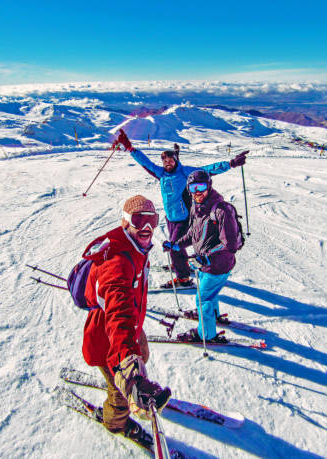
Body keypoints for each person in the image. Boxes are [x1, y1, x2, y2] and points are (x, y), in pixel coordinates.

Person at [81, 195, 171, 442]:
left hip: (130, 327)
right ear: (125, 222)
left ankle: (133, 376)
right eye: (139, 220)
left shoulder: (135, 247)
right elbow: (118, 315)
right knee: (120, 396)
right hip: (108, 339)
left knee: (143, 352)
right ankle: (115, 423)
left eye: (152, 221)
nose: (147, 228)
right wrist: (130, 373)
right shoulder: (118, 261)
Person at [112, 129, 248, 289]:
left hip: (184, 218)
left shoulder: (184, 172)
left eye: (171, 160)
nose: (168, 164)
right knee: (176, 246)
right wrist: (129, 147)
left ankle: (183, 278)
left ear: (176, 160)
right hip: (171, 218)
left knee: (174, 247)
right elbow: (146, 162)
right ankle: (182, 265)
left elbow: (208, 169)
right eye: (165, 162)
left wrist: (230, 164)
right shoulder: (162, 174)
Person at [162, 170, 240, 343]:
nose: (197, 191)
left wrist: (207, 257)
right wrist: (176, 245)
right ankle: (212, 314)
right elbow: (192, 234)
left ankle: (206, 334)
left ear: (209, 186)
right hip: (205, 264)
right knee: (209, 294)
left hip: (218, 265)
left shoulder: (221, 210)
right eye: (193, 187)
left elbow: (230, 245)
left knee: (202, 298)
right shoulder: (197, 207)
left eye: (201, 186)